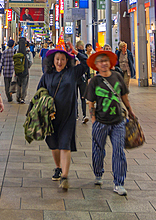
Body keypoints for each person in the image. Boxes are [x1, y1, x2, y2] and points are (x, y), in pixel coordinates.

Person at [37, 42, 88, 190]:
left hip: (68, 116)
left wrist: (76, 52)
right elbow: (39, 92)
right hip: (51, 117)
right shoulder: (47, 76)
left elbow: (87, 63)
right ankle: (58, 167)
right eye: (57, 59)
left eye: (63, 59)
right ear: (53, 60)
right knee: (53, 144)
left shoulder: (73, 73)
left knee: (65, 144)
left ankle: (65, 176)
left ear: (67, 61)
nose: (59, 62)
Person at [87, 48, 136, 196]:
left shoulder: (117, 76)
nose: (103, 64)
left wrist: (130, 111)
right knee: (98, 150)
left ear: (110, 63)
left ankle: (119, 183)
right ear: (96, 64)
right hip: (101, 121)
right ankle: (98, 173)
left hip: (118, 121)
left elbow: (124, 96)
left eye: (105, 61)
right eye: (100, 61)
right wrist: (93, 119)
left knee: (119, 151)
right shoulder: (94, 81)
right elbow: (91, 102)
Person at [14, 37, 33, 104]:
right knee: (24, 85)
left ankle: (18, 97)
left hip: (18, 71)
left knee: (18, 84)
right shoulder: (28, 52)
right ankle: (23, 98)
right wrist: (27, 67)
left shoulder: (16, 52)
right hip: (25, 71)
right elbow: (31, 62)